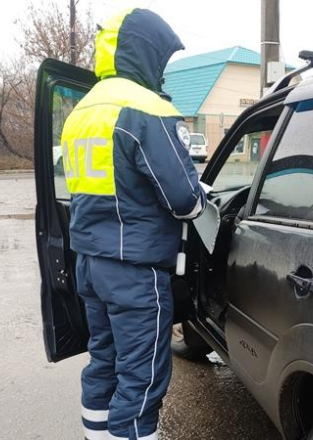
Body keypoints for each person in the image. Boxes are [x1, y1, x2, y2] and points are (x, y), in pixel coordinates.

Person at [59, 8, 206, 440]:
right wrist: (201, 200)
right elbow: (183, 198)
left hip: (90, 263)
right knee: (141, 379)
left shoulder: (82, 111)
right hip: (134, 268)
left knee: (103, 361)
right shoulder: (145, 108)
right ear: (146, 53)